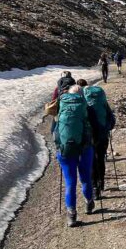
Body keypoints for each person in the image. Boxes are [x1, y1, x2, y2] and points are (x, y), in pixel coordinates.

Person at [53, 84, 95, 227]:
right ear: (81, 94)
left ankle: (71, 216)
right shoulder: (86, 106)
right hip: (85, 148)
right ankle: (89, 203)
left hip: (64, 150)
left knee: (70, 182)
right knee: (85, 178)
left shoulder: (61, 107)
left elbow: (54, 131)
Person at [77, 78, 115, 199]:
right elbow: (112, 119)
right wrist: (107, 127)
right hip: (103, 135)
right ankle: (101, 182)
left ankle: (95, 188)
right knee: (101, 158)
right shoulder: (101, 99)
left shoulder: (83, 100)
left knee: (92, 161)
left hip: (90, 136)